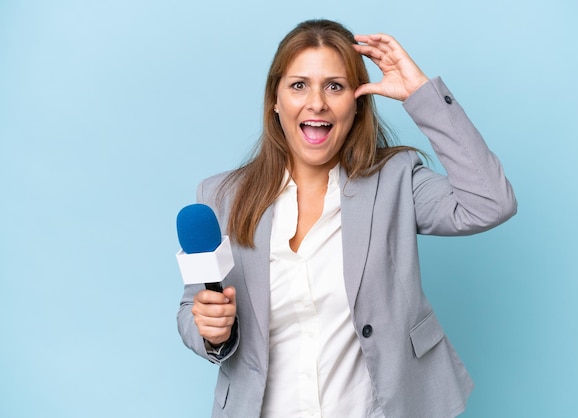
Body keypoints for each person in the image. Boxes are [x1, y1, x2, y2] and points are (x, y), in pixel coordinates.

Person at [177, 18, 516, 418]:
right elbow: (192, 308)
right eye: (299, 85)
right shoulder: (223, 197)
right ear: (275, 99)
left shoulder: (396, 181)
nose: (317, 102)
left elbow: (490, 202)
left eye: (334, 86)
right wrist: (209, 329)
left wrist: (421, 95)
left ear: (356, 103)